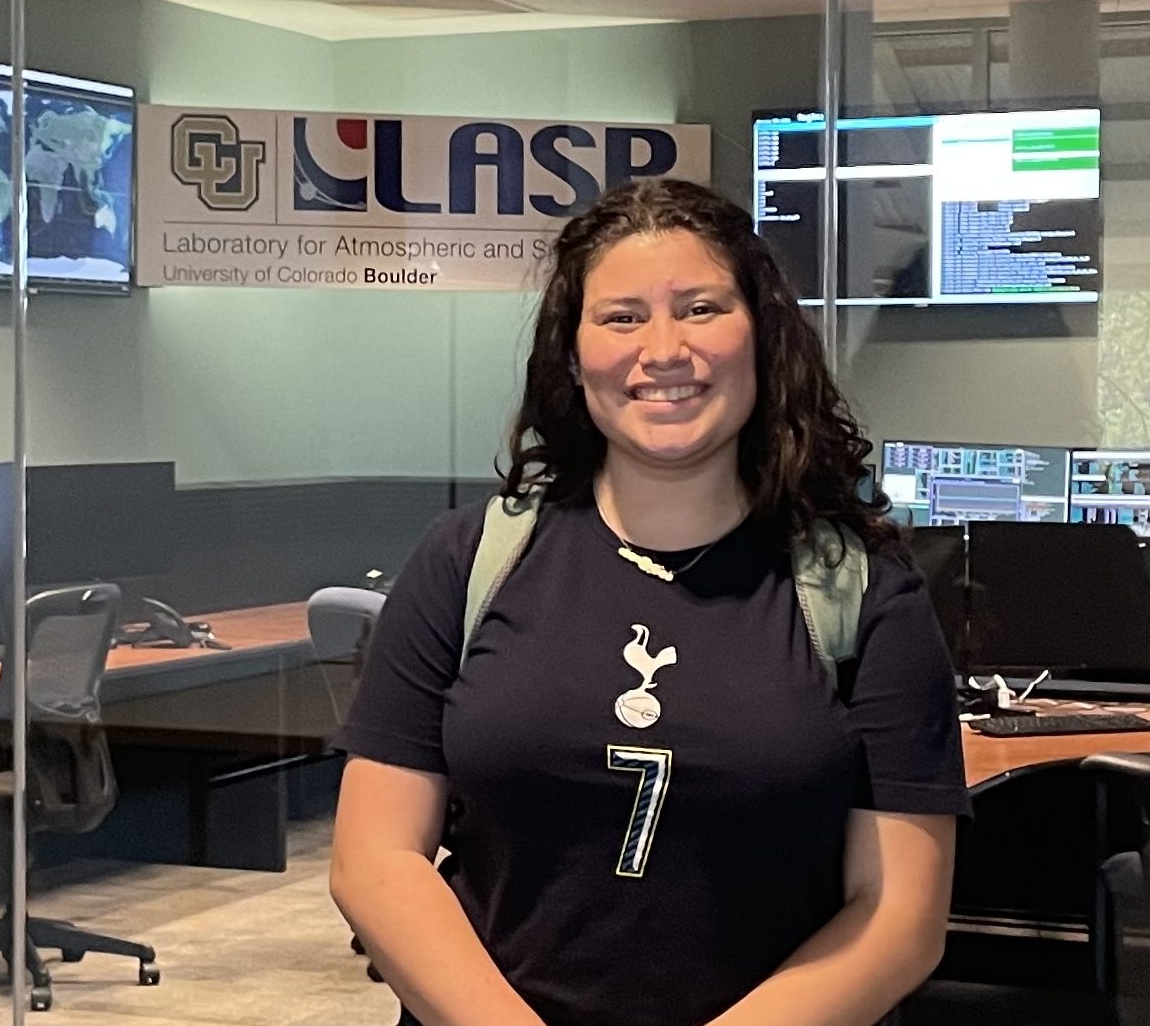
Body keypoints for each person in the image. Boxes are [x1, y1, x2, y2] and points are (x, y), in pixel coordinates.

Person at [331, 179, 966, 1026]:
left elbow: (897, 916)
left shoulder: (862, 589)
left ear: (762, 338)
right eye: (622, 316)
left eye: (701, 308)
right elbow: (375, 858)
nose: (663, 349)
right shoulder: (467, 559)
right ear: (571, 352)